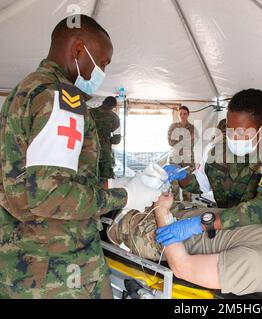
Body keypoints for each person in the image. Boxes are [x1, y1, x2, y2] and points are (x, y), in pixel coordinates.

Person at [0, 15, 160, 299]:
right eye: (103, 61)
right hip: (61, 267)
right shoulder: (63, 99)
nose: (102, 72)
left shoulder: (24, 91)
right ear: (78, 50)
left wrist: (115, 183)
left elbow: (39, 179)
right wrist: (124, 198)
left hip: (20, 261)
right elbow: (51, 196)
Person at [157, 89, 262, 247]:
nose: (232, 137)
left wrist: (202, 224)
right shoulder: (218, 150)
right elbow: (201, 185)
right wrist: (183, 177)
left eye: (241, 132)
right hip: (221, 232)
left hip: (259, 237)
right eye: (229, 130)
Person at [167, 106, 199, 201]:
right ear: (178, 114)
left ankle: (187, 207)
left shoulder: (192, 128)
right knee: (174, 186)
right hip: (175, 159)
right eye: (180, 113)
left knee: (187, 186)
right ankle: (175, 207)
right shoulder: (173, 127)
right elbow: (170, 142)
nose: (182, 115)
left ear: (188, 115)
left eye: (185, 113)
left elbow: (192, 143)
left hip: (188, 159)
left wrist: (180, 139)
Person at [90, 96, 121, 185]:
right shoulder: (115, 118)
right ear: (114, 106)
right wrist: (106, 140)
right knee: (105, 179)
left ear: (103, 102)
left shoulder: (89, 113)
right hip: (104, 152)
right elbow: (116, 140)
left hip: (88, 150)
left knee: (88, 177)